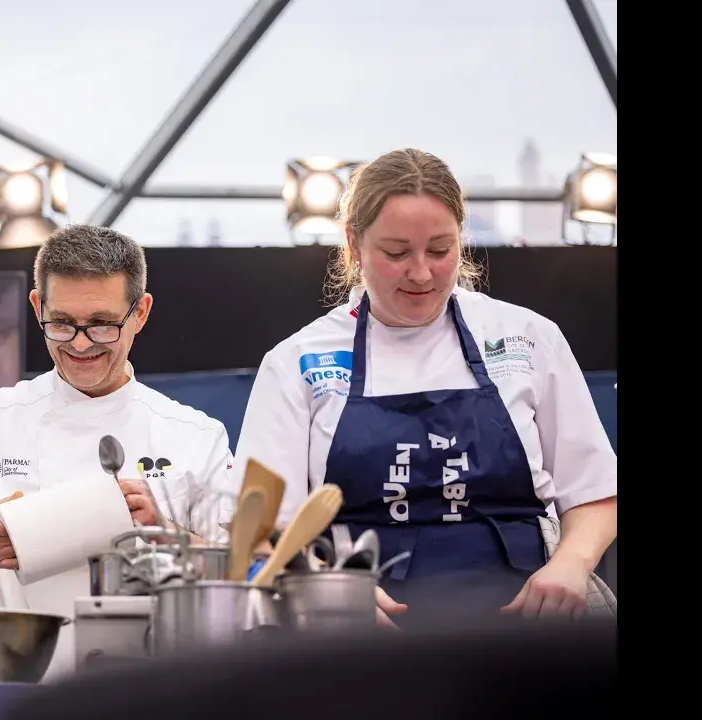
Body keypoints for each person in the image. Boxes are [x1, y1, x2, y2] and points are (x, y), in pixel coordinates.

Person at [232, 148, 617, 630]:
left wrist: (571, 564)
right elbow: (259, 531)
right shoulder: (296, 362)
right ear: (353, 244)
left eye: (440, 250)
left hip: (526, 630)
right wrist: (322, 587)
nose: (420, 272)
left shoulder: (527, 338)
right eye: (395, 253)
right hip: (357, 638)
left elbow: (597, 491)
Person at [0, 224, 236, 679]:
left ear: (141, 313)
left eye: (103, 325)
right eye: (62, 323)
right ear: (37, 307)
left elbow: (240, 579)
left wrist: (163, 534)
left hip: (151, 695)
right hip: (6, 691)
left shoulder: (194, 435)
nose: (81, 343)